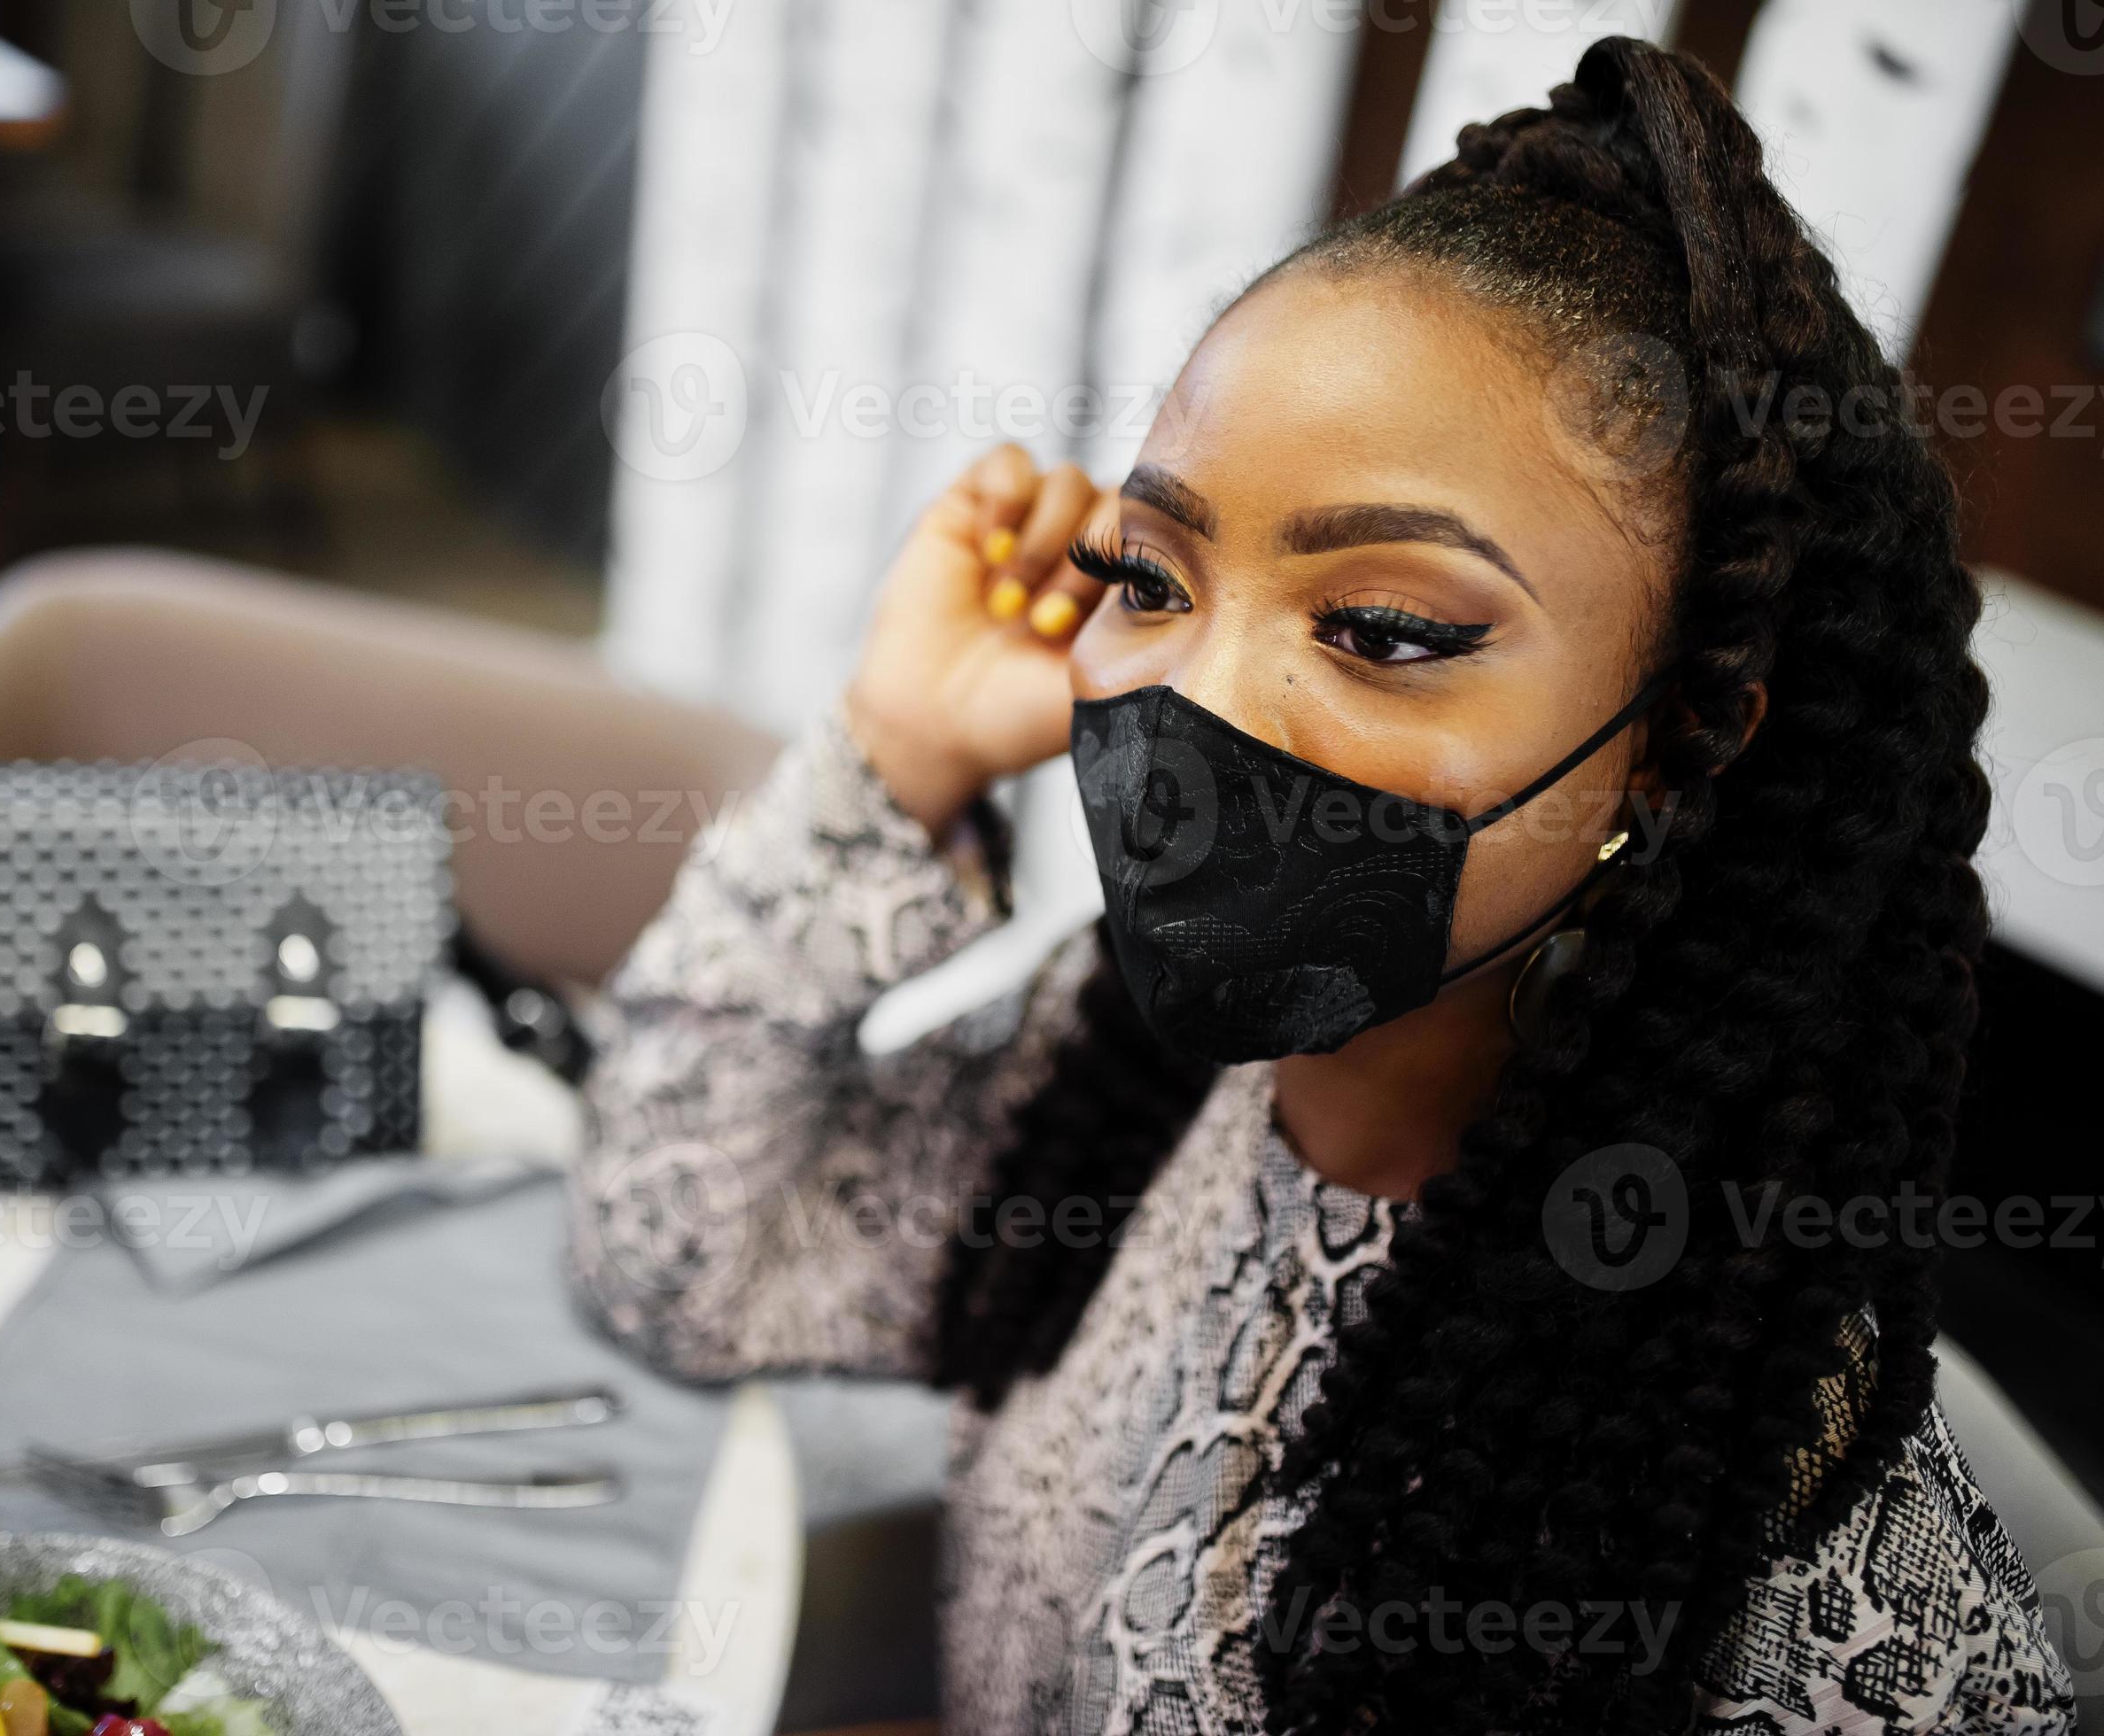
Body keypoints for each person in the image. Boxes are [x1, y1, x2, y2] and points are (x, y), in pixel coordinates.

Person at [568, 36, 2076, 1733]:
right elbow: (679, 1260)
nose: (1193, 707)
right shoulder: (1123, 1085)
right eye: (1147, 576)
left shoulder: (1755, 1490)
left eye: (1380, 630)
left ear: (1679, 746)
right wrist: (896, 750)